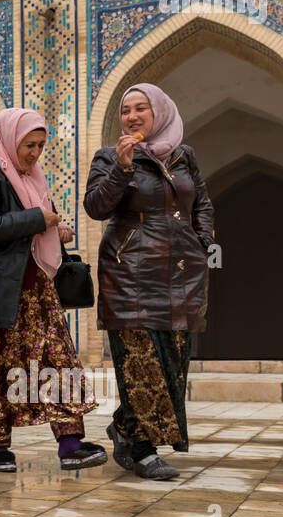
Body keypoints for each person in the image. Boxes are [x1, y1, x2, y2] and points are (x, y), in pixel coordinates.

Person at [0, 108, 108, 472]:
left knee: (59, 363)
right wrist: (38, 220)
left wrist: (56, 231)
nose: (35, 153)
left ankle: (70, 444)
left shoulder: (35, 179)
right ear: (10, 140)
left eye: (41, 145)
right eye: (29, 145)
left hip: (38, 291)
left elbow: (37, 227)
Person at [83, 83, 215, 480]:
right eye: (126, 110)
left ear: (160, 112)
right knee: (141, 361)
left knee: (173, 363)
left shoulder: (182, 156)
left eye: (142, 109)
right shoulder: (109, 157)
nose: (133, 117)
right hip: (129, 273)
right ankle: (141, 452)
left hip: (180, 274)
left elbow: (202, 203)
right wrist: (122, 170)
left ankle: (124, 426)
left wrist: (203, 241)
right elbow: (96, 207)